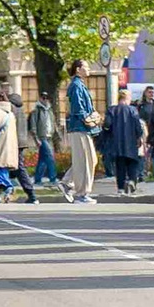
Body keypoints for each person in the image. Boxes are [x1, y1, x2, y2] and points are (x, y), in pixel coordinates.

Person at [100, 80, 146, 197]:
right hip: (131, 142)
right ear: (128, 98)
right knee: (132, 163)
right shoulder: (133, 110)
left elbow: (107, 125)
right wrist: (139, 137)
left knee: (119, 165)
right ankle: (131, 181)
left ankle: (120, 188)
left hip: (116, 142)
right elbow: (137, 126)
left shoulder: (112, 110)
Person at [63, 60, 100, 204]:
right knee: (85, 161)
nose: (89, 69)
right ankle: (81, 193)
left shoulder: (79, 85)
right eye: (86, 67)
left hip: (82, 128)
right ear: (78, 69)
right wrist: (90, 119)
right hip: (79, 127)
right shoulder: (76, 85)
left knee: (88, 160)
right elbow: (78, 108)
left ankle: (67, 182)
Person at [25, 86, 60, 197]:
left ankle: (38, 178)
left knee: (43, 160)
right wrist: (36, 139)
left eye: (46, 98)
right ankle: (53, 178)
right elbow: (33, 125)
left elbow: (53, 123)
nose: (45, 99)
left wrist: (57, 134)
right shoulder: (36, 111)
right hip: (42, 137)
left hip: (49, 137)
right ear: (40, 98)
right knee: (50, 158)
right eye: (43, 97)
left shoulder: (50, 110)